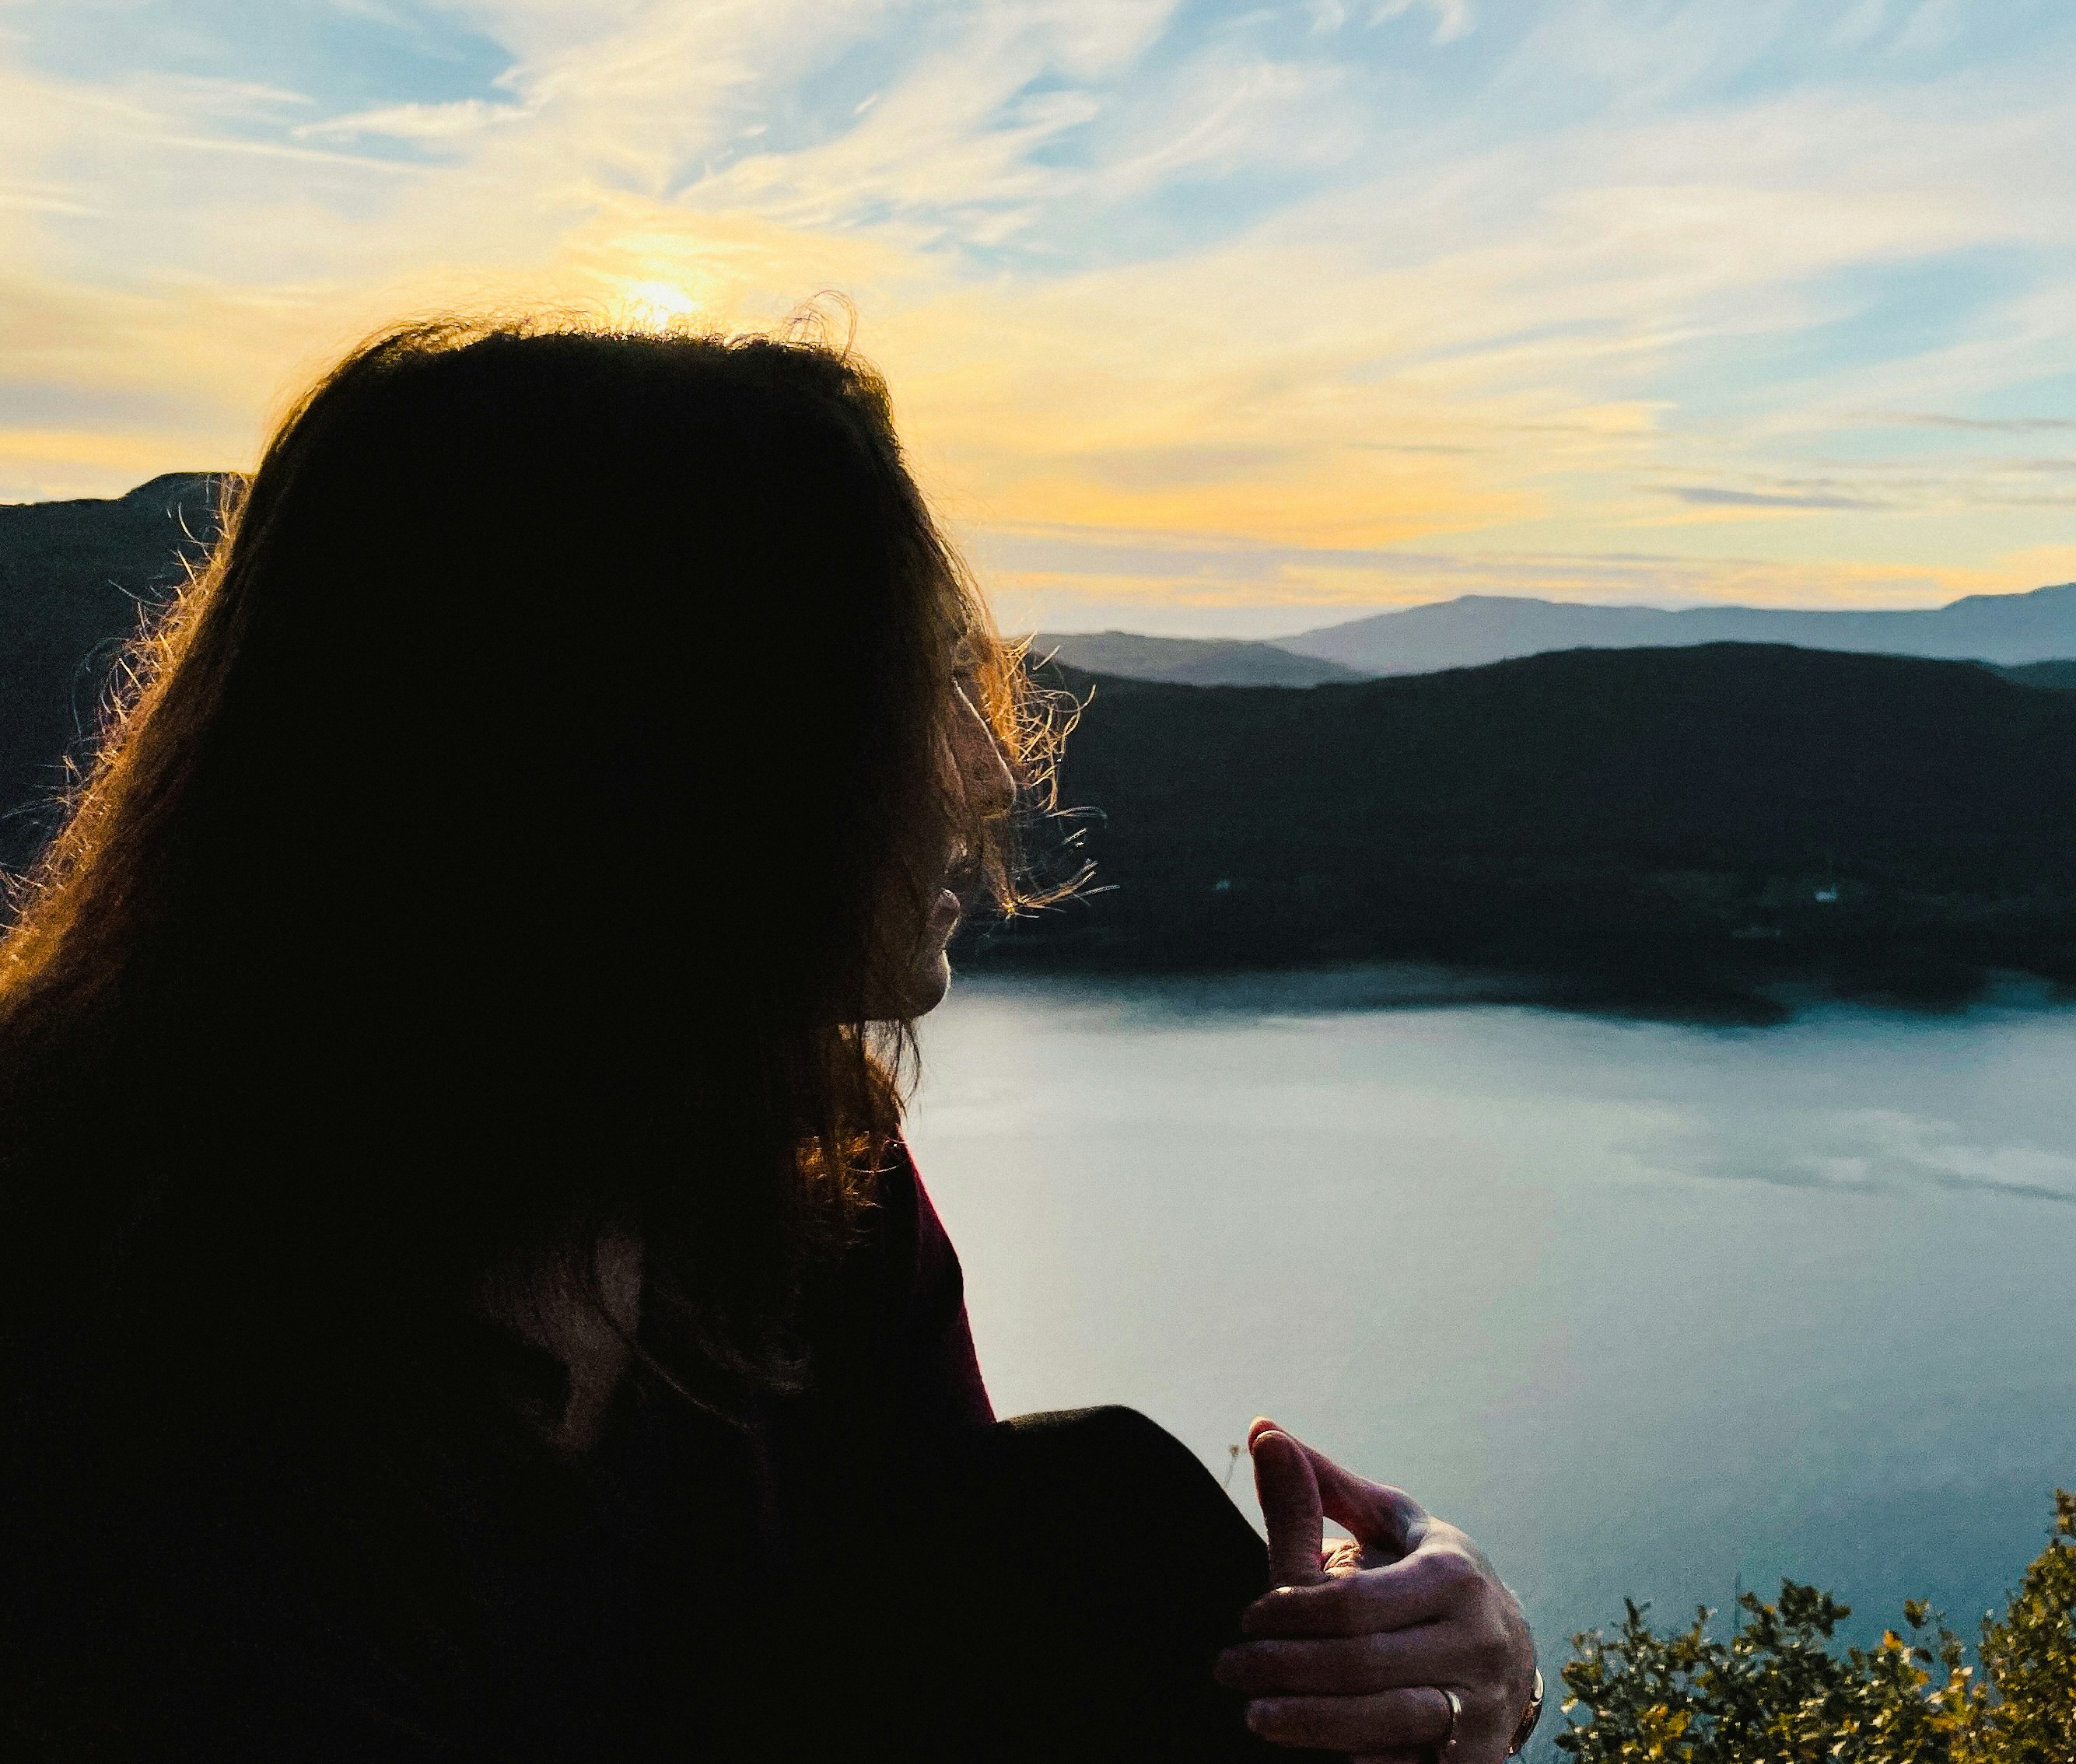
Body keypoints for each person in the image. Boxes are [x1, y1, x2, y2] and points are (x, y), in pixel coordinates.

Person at [0, 316, 1538, 1760]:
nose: (993, 773)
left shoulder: (797, 1163)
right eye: (916, 692)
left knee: (1105, 1517)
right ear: (659, 755)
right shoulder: (122, 1370)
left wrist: (1417, 1652)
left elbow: (960, 1638)